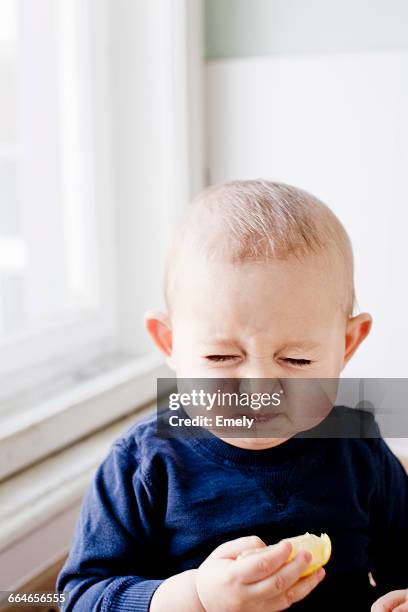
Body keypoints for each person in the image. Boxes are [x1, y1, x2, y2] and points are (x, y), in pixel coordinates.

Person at [57, 180, 408, 611]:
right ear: (170, 343)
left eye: (296, 361)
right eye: (222, 357)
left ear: (347, 345)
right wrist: (195, 598)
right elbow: (82, 596)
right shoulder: (144, 462)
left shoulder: (359, 446)